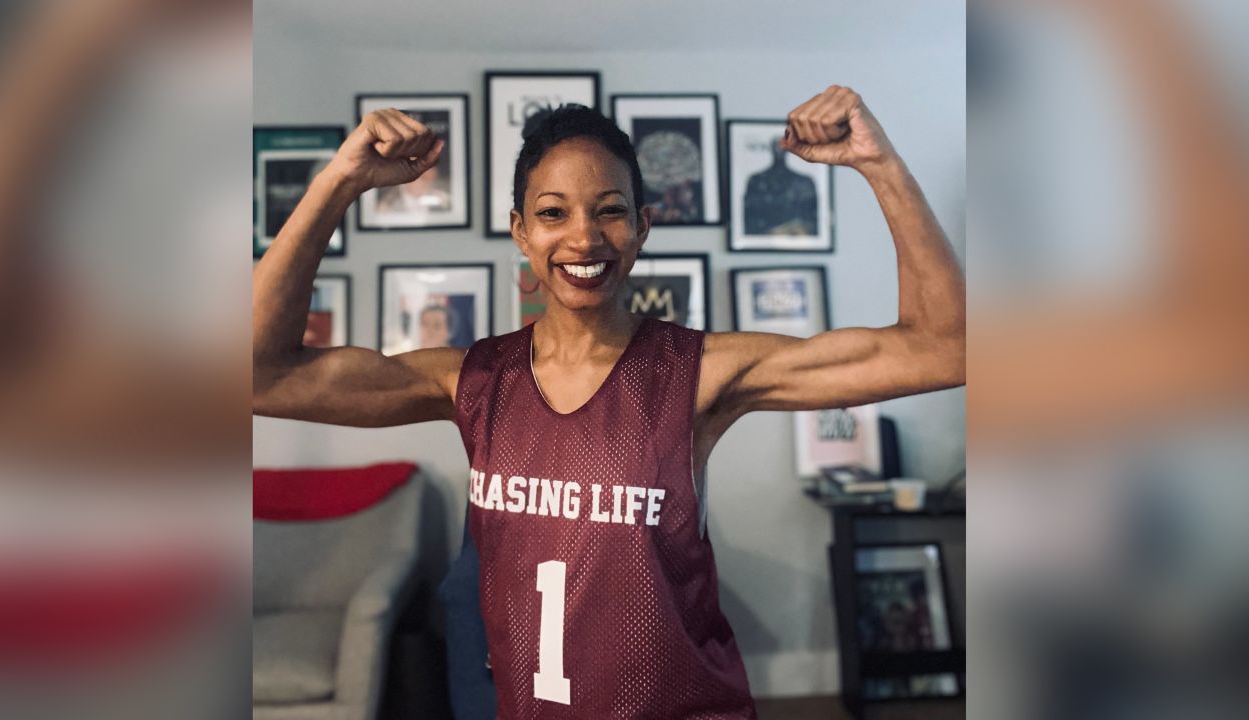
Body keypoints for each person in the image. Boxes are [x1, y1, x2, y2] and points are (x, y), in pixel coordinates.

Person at [252, 85, 965, 718]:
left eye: (611, 211)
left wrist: (879, 163)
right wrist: (340, 180)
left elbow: (944, 347)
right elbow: (261, 374)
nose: (585, 238)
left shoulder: (703, 373)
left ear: (643, 227)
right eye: (554, 213)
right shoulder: (470, 380)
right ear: (522, 232)